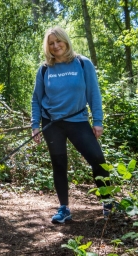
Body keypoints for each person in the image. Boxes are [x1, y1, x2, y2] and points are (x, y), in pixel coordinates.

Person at [31, 26, 111, 224]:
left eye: (59, 41)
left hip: (78, 120)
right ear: (47, 47)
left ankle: (108, 201)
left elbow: (94, 93)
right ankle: (64, 208)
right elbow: (36, 99)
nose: (56, 45)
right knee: (59, 164)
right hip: (52, 123)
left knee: (98, 160)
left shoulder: (82, 64)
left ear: (66, 41)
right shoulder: (44, 69)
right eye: (51, 43)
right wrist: (35, 125)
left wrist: (97, 120)